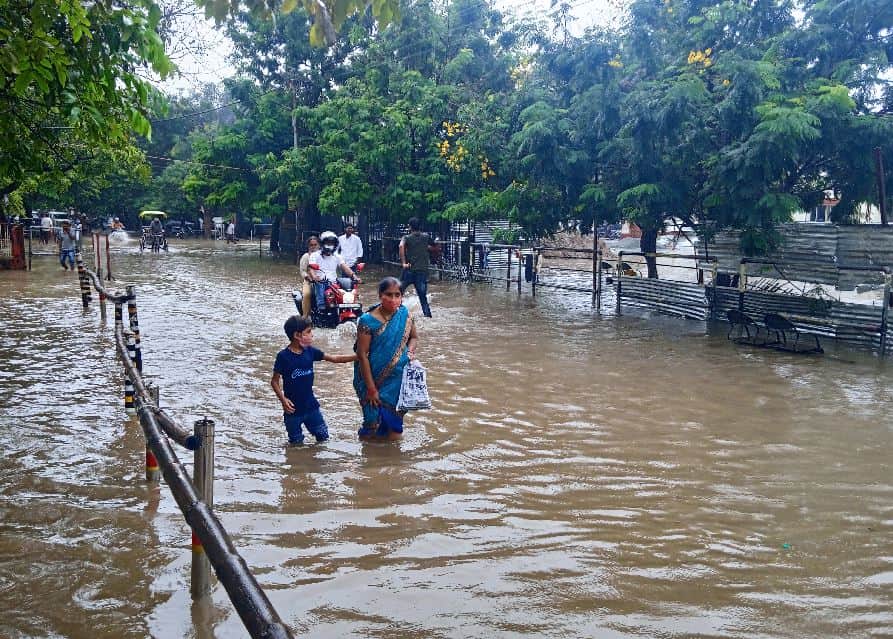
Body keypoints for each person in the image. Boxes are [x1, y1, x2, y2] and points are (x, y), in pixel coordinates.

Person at [271, 316, 357, 446]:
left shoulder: (310, 352)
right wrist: (283, 400)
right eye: (309, 331)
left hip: (311, 408)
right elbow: (274, 381)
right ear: (297, 335)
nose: (312, 335)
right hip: (292, 411)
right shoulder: (283, 357)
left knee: (323, 438)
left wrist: (358, 357)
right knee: (295, 444)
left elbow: (334, 358)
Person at [353, 277, 419, 440]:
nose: (393, 299)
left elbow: (414, 337)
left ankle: (391, 455)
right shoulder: (367, 320)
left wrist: (410, 352)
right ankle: (367, 453)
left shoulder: (404, 314)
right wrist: (371, 389)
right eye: (388, 295)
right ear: (380, 295)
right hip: (372, 379)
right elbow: (362, 355)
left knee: (395, 428)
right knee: (372, 425)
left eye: (397, 295)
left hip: (397, 381)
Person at [309, 231, 359, 311]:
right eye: (328, 243)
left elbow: (345, 267)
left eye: (332, 243)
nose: (330, 245)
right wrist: (314, 277)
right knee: (320, 286)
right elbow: (311, 268)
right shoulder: (315, 255)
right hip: (320, 282)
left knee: (348, 288)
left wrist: (354, 276)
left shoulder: (337, 256)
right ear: (322, 243)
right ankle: (321, 307)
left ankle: (352, 308)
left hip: (333, 283)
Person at [398, 217, 436, 317]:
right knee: (423, 298)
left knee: (397, 292)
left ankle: (396, 314)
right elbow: (435, 247)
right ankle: (427, 317)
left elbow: (401, 246)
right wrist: (425, 248)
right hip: (422, 271)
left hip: (409, 270)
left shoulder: (406, 238)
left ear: (410, 227)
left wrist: (403, 263)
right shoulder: (426, 237)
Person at [298, 235, 320, 319]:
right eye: (311, 245)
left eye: (315, 245)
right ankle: (305, 315)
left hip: (322, 281)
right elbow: (302, 271)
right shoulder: (306, 256)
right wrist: (308, 277)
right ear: (308, 246)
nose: (313, 247)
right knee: (307, 294)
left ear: (319, 245)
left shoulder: (322, 256)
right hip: (309, 281)